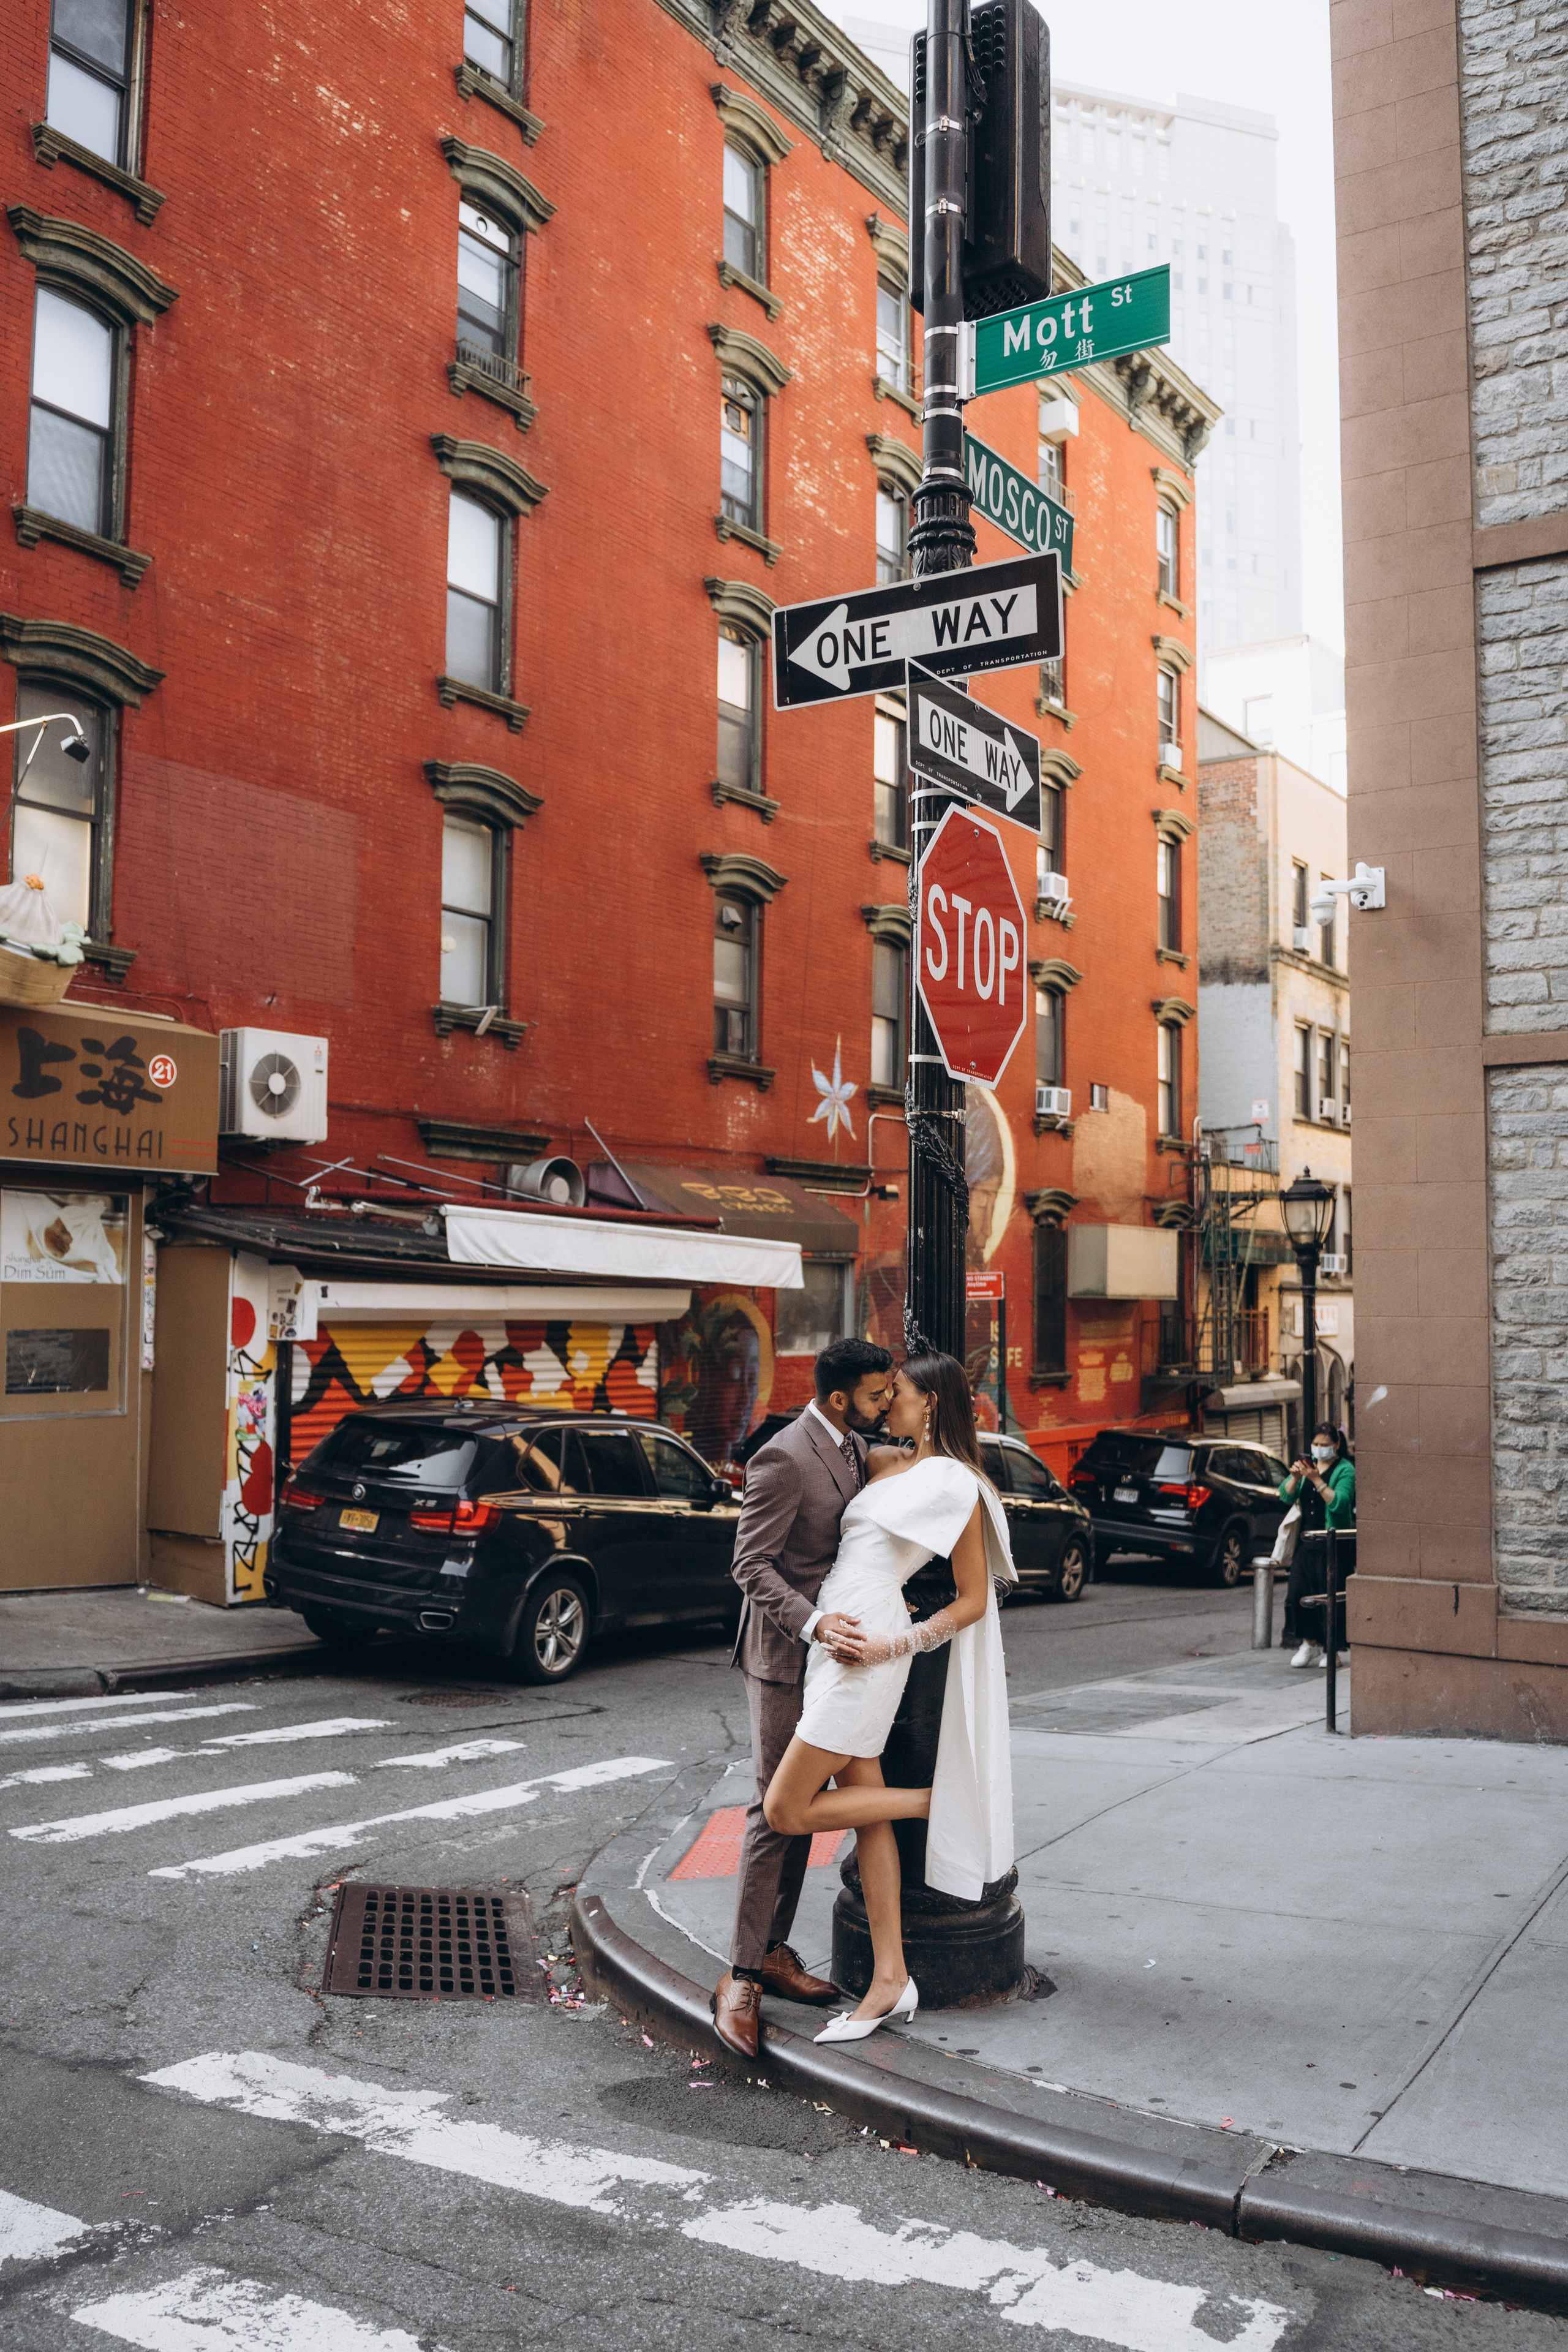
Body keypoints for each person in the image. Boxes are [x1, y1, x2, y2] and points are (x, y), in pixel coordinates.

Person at [763, 1352, 1017, 2044]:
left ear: (930, 1402)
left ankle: (940, 1803)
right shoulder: (880, 1465)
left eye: (895, 1392)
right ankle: (889, 1979)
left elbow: (969, 1601)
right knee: (866, 1820)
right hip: (832, 1641)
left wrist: (891, 1646)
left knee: (785, 1809)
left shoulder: (957, 1486)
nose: (884, 1403)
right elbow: (820, 1456)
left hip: (869, 1650)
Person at [710, 1336, 895, 2061]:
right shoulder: (784, 1455)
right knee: (773, 1810)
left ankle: (775, 1950)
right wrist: (816, 1622)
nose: (887, 1403)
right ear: (843, 1395)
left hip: (833, 1664)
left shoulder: (852, 1444)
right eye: (878, 1393)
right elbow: (748, 1564)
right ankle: (740, 1977)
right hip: (786, 1656)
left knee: (802, 1813)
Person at [1281, 1422, 1356, 1667]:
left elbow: (1340, 1504)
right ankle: (1307, 1643)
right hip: (1307, 1542)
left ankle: (1331, 1650)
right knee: (1298, 1594)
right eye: (1315, 1445)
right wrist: (1295, 1477)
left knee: (1330, 1597)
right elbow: (1285, 1495)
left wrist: (1317, 1480)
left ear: (1336, 1444)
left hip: (1333, 1544)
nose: (1320, 1449)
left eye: (1325, 1445)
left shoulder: (1345, 1469)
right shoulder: (1308, 1468)